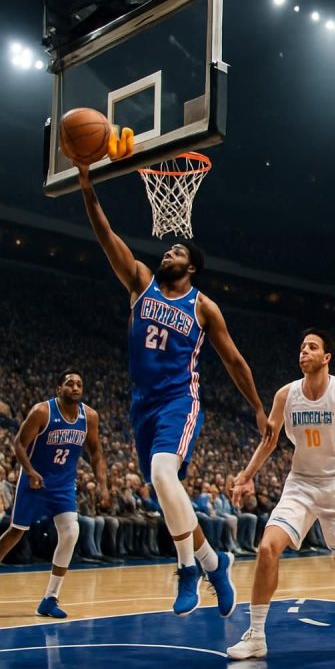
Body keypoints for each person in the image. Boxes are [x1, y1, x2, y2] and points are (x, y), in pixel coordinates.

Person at [76, 165, 267, 616]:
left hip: (180, 400)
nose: (169, 253)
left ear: (192, 266)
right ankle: (214, 563)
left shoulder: (203, 306)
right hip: (142, 403)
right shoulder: (141, 284)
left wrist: (258, 408)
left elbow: (234, 360)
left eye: (178, 251)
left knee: (164, 476)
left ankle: (188, 571)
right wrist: (88, 187)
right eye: (168, 249)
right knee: (167, 494)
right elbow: (106, 236)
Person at [228, 328, 335, 658]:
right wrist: (246, 475)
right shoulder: (286, 395)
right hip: (300, 483)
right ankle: (256, 634)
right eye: (302, 347)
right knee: (267, 548)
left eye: (312, 347)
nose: (304, 351)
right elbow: (269, 440)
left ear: (326, 358)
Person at [0, 370, 109, 617]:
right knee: (16, 531)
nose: (75, 387)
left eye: (79, 383)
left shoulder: (89, 416)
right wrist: (29, 471)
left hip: (63, 484)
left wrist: (103, 486)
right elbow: (19, 444)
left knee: (71, 532)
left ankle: (50, 598)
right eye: (69, 383)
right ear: (58, 389)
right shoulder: (42, 412)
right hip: (35, 480)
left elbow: (96, 453)